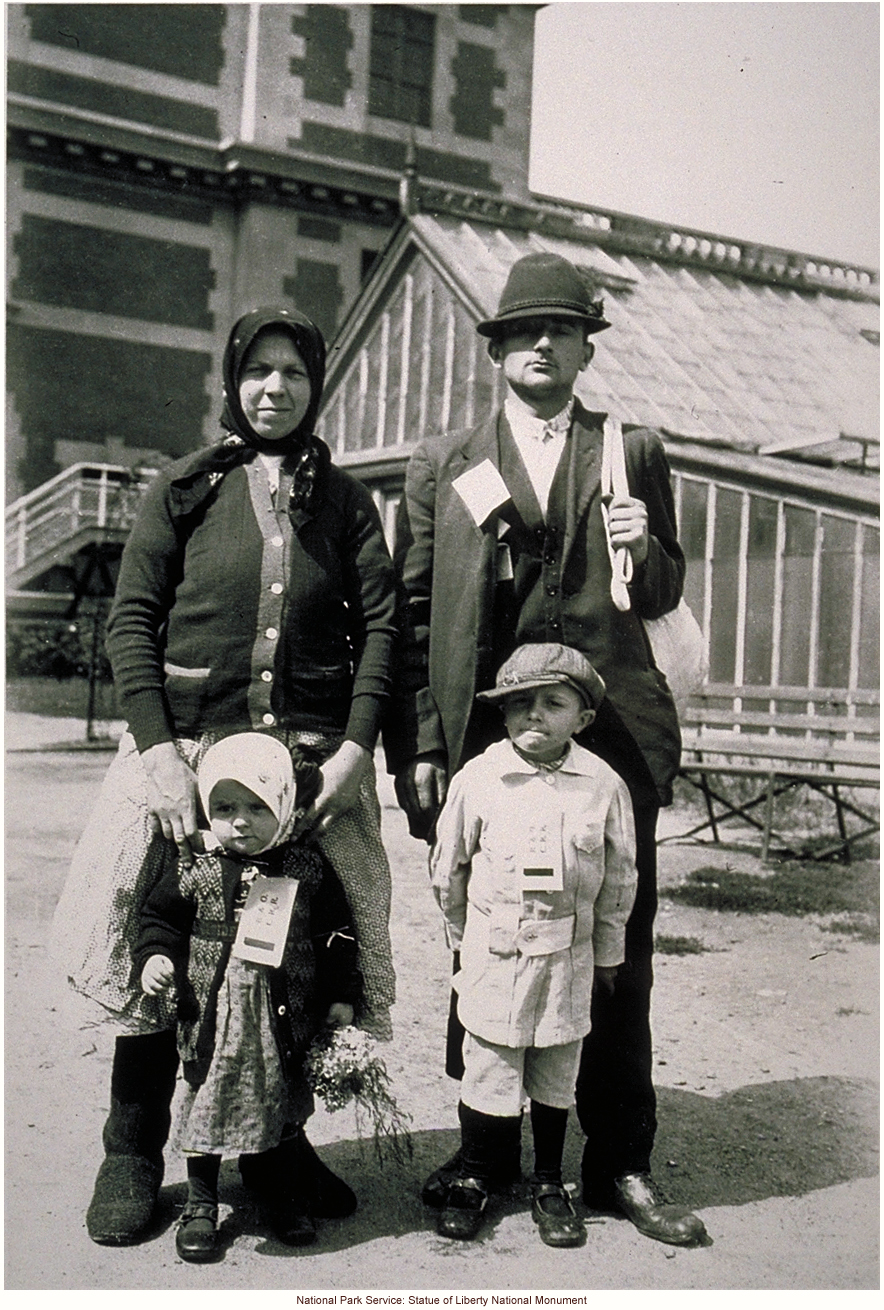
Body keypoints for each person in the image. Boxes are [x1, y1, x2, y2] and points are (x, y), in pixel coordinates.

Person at [50, 305, 397, 1246]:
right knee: (158, 945)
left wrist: (357, 750)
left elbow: (381, 633)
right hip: (190, 758)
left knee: (294, 954)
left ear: (316, 386)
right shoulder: (183, 489)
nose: (274, 388)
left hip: (310, 773)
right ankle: (131, 1146)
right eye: (258, 372)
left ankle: (274, 1146)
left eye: (293, 373)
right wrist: (159, 756)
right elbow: (132, 625)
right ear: (233, 381)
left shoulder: (351, 503)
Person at [387, 251, 708, 1246]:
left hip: (605, 748)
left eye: (558, 331)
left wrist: (641, 540)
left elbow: (658, 591)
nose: (539, 344)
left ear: (581, 347)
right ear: (495, 349)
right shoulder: (446, 462)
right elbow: (410, 613)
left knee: (611, 952)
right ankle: (483, 1153)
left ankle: (616, 1160)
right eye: (520, 331)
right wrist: (426, 745)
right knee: (484, 945)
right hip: (490, 743)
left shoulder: (629, 449)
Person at [429, 644, 636, 1248]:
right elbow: (450, 868)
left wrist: (608, 954)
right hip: (494, 955)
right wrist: (464, 941)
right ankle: (475, 1174)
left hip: (567, 960)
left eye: (553, 704)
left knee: (554, 1071)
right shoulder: (481, 778)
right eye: (519, 705)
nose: (534, 717)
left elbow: (620, 879)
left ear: (584, 717)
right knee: (489, 1067)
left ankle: (549, 1181)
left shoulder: (602, 786)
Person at [136, 733, 362, 1260]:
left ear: (284, 803)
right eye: (224, 807)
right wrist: (156, 956)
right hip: (214, 1016)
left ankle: (284, 1194)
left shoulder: (306, 868)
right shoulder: (197, 868)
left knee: (281, 1104)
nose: (240, 821)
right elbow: (159, 917)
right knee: (204, 1101)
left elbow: (338, 935)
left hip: (283, 1018)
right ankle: (200, 1201)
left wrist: (341, 996)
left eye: (258, 807)